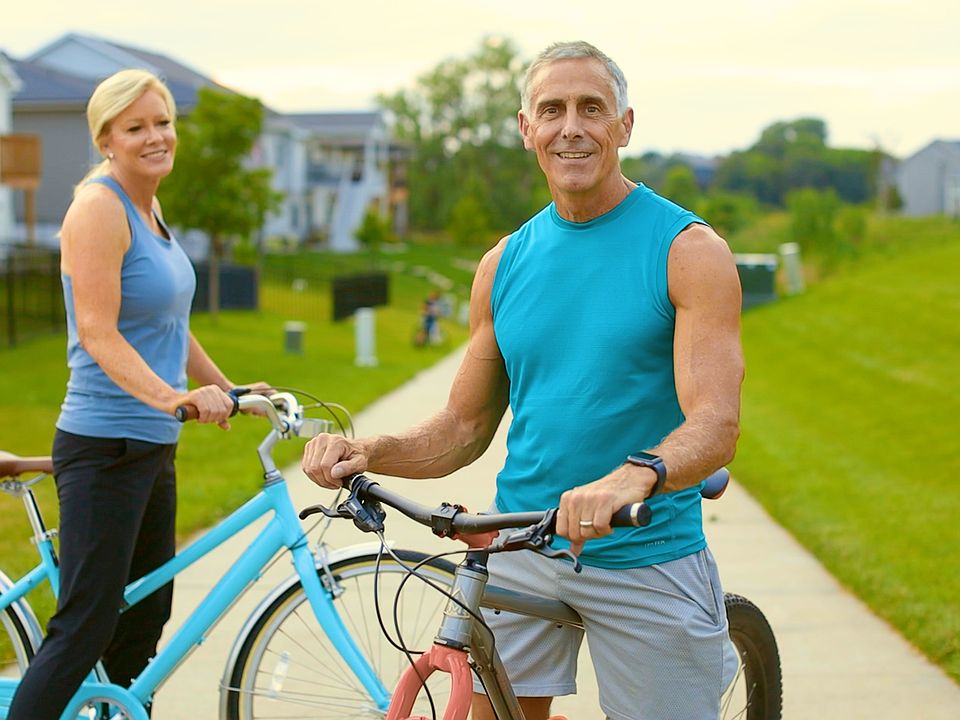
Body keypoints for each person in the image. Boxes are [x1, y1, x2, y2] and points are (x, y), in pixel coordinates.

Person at [302, 40, 744, 720]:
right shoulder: (503, 263)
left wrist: (636, 476)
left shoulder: (688, 251)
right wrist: (373, 451)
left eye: (592, 108)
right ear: (526, 129)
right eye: (553, 109)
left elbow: (715, 425)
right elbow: (465, 426)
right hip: (523, 543)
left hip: (645, 549)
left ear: (624, 126)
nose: (572, 126)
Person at [8, 69, 266, 719]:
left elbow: (168, 327)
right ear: (106, 140)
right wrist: (171, 398)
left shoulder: (149, 205)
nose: (155, 136)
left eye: (163, 122)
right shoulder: (98, 208)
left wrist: (226, 389)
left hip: (151, 448)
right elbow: (98, 333)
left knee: (144, 621)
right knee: (85, 628)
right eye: (136, 127)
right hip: (104, 445)